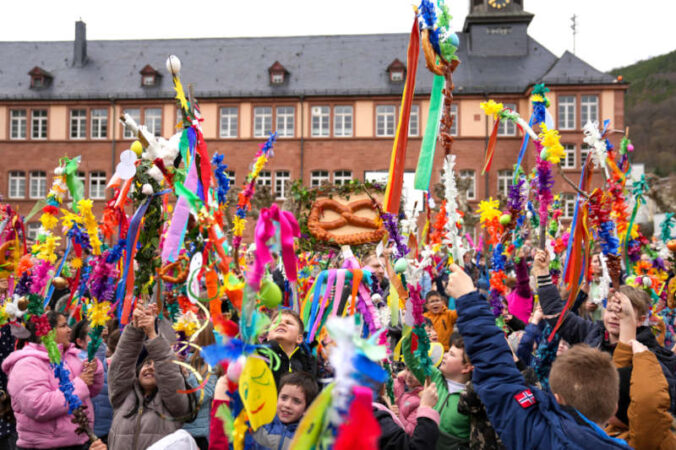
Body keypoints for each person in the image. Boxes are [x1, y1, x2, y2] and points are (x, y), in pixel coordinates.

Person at [447, 263, 631, 448]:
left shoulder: (538, 436)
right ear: (614, 407)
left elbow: (498, 376)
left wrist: (468, 299)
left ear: (557, 398)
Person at [2, 311, 103, 450]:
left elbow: (90, 393)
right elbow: (38, 407)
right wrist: (79, 383)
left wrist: (94, 372)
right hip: (44, 446)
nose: (69, 330)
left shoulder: (70, 356)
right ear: (47, 332)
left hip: (79, 441)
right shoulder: (27, 364)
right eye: (63, 326)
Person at [107, 304, 193, 450]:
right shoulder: (123, 396)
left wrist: (153, 334)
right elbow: (121, 363)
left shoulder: (173, 404)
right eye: (147, 363)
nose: (150, 367)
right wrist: (135, 328)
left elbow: (170, 375)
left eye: (156, 365)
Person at [604, 291, 676, 448]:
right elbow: (621, 379)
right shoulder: (618, 428)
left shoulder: (644, 440)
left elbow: (649, 400)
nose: (602, 400)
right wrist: (627, 322)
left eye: (607, 398)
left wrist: (645, 358)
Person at [402, 330, 471, 448]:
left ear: (466, 367)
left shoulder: (473, 397)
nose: (444, 355)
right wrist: (411, 326)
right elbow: (411, 357)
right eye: (448, 352)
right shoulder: (434, 376)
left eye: (452, 354)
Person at [70, 320, 114, 443]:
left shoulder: (101, 357)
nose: (98, 338)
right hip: (91, 428)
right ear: (79, 341)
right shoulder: (81, 360)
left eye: (99, 334)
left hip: (105, 426)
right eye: (93, 334)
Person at [252, 371, 317, 450]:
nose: (287, 405)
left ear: (307, 409)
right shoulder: (262, 426)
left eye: (296, 401)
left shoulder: (307, 437)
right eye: (284, 398)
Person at [374, 379, 440, 449]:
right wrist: (426, 406)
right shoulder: (407, 394)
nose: (409, 376)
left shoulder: (416, 401)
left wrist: (394, 414)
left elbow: (409, 431)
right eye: (407, 370)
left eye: (413, 373)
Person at [182, 323, 217, 450]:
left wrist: (187, 375)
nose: (188, 336)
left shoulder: (211, 365)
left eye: (193, 332)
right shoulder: (184, 358)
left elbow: (205, 395)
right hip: (177, 430)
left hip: (197, 434)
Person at [263, 310, 317, 386]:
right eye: (276, 322)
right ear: (268, 336)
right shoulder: (258, 355)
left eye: (289, 323)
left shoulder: (308, 365)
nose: (281, 323)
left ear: (299, 338)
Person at [393, 368, 423, 435]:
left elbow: (409, 431)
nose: (409, 375)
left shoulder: (421, 401)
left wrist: (397, 414)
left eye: (416, 372)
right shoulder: (397, 383)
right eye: (408, 369)